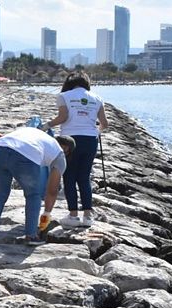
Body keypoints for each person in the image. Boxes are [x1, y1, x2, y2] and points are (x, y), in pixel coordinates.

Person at [0, 127, 75, 245]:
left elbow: (0, 142)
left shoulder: (40, 136)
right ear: (67, 150)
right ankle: (31, 236)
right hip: (26, 154)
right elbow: (52, 190)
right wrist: (46, 214)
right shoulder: (60, 155)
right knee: (33, 195)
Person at [40, 72, 108, 228]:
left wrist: (46, 126)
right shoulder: (97, 98)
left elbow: (62, 118)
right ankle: (88, 216)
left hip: (69, 141)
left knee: (69, 177)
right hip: (90, 140)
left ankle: (73, 215)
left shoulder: (64, 96)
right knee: (84, 177)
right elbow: (104, 123)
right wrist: (97, 131)